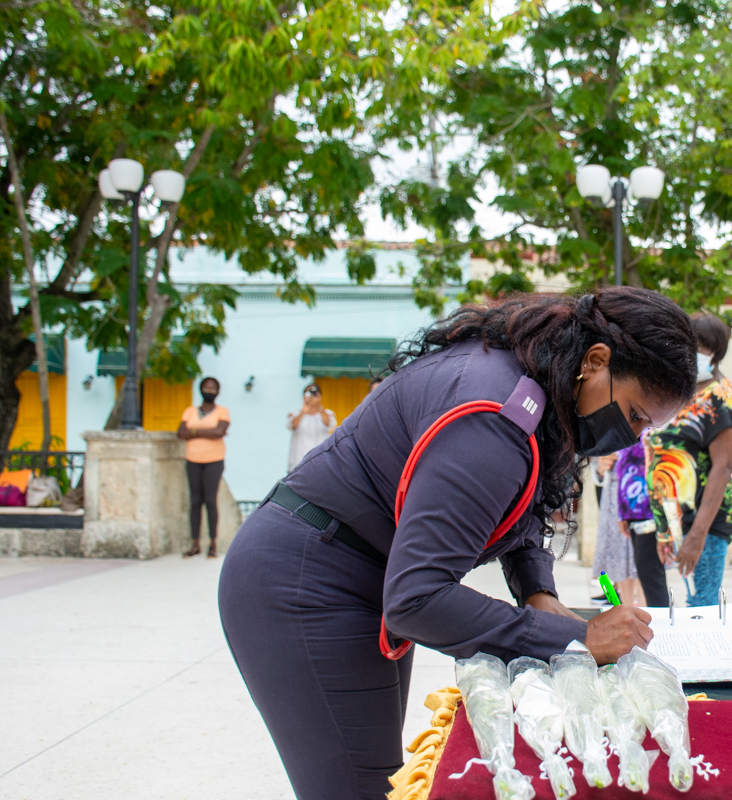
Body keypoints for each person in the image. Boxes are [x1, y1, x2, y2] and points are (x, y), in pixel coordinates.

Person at [217, 288, 697, 799]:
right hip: (305, 583)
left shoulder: (533, 385)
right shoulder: (492, 415)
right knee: (361, 791)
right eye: (637, 415)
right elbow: (418, 599)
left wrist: (538, 591)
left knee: (383, 782)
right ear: (596, 362)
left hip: (363, 575)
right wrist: (574, 639)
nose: (634, 435)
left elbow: (524, 501)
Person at [648, 312, 732, 607]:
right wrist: (665, 530)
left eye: (703, 348)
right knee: (692, 603)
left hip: (706, 523)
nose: (695, 354)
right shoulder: (683, 392)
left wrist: (697, 536)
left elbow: (723, 466)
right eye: (690, 346)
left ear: (716, 353)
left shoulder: (719, 398)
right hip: (678, 519)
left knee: (703, 605)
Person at [177, 377, 230, 559]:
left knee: (210, 501)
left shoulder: (222, 411)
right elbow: (180, 433)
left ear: (218, 391)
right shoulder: (190, 411)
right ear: (200, 389)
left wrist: (193, 432)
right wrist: (207, 432)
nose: (210, 390)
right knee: (194, 502)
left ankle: (213, 544)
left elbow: (220, 432)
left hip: (214, 460)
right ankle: (195, 544)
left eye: (213, 388)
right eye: (206, 387)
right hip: (192, 460)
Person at [620, 434, 669, 606]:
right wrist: (623, 512)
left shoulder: (656, 431)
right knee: (645, 569)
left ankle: (662, 623)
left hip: (650, 513)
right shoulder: (630, 432)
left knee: (650, 571)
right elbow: (623, 468)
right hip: (634, 513)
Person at [590, 450, 643, 606]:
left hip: (641, 497)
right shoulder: (605, 431)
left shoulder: (649, 428)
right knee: (618, 558)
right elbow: (596, 469)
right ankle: (621, 604)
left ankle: (645, 610)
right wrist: (601, 467)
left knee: (642, 560)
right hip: (613, 501)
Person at [288, 383, 338, 471]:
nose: (311, 396)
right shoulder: (295, 414)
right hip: (298, 463)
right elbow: (292, 426)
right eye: (308, 393)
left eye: (314, 393)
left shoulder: (327, 414)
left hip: (320, 463)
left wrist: (319, 407)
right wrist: (304, 411)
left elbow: (329, 424)